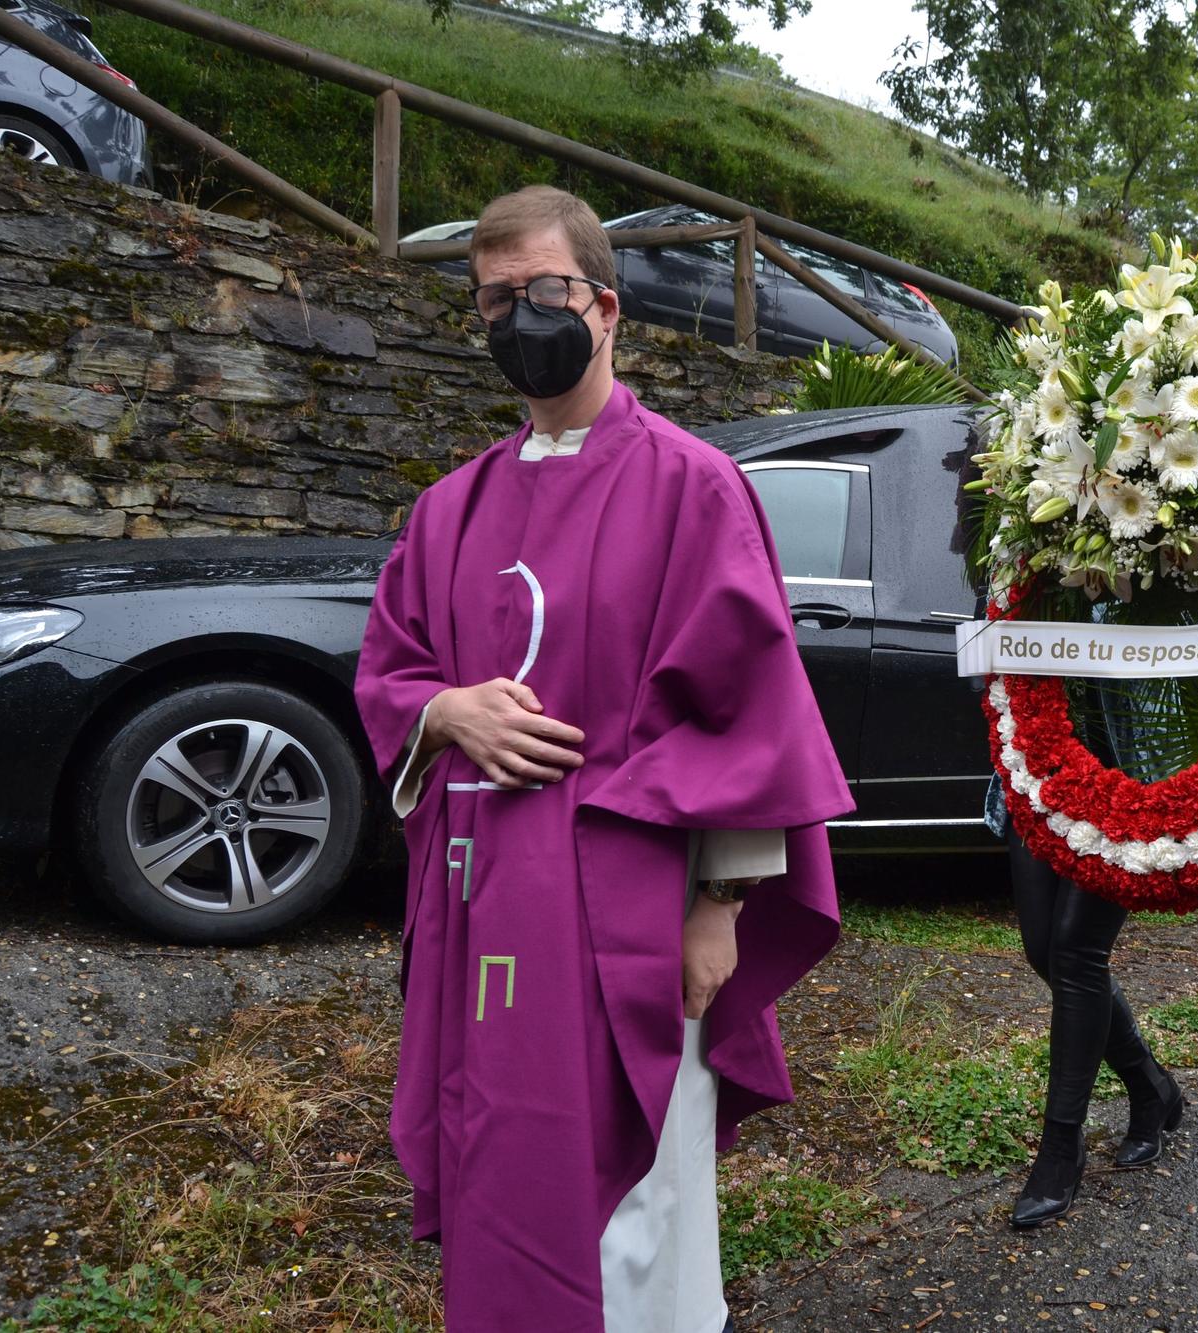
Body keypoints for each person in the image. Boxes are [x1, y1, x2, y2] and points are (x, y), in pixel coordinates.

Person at [352, 185, 853, 1331]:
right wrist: (445, 714)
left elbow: (743, 706)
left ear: (605, 306)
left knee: (638, 1196)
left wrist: (721, 904)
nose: (519, 317)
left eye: (542, 291)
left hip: (624, 901)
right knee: (491, 1146)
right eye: (493, 301)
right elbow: (392, 671)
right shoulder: (447, 509)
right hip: (480, 895)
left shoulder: (690, 485)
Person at [1002, 816, 1185, 1228]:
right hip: (1031, 777)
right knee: (1044, 951)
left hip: (1121, 785)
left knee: (1076, 952)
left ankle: (1062, 1146)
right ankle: (1151, 1086)